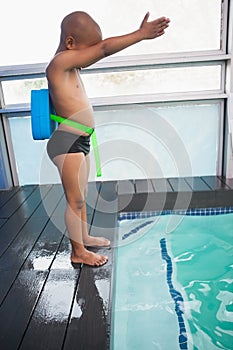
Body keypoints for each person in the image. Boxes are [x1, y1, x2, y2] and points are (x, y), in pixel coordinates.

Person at [46, 11, 170, 267]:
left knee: (83, 194)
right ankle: (77, 251)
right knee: (75, 199)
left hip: (79, 141)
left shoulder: (71, 65)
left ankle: (84, 237)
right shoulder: (59, 64)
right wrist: (140, 34)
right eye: (86, 50)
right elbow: (103, 49)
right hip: (67, 143)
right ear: (70, 43)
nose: (89, 56)